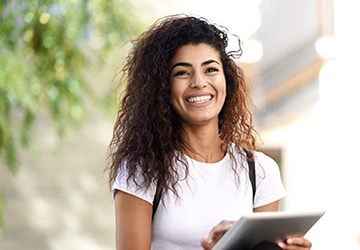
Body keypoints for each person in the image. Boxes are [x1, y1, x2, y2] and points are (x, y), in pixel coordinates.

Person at [107, 14, 313, 250]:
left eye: (211, 69)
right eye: (182, 72)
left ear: (227, 79)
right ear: (163, 87)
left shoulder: (261, 171)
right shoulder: (143, 169)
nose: (199, 82)